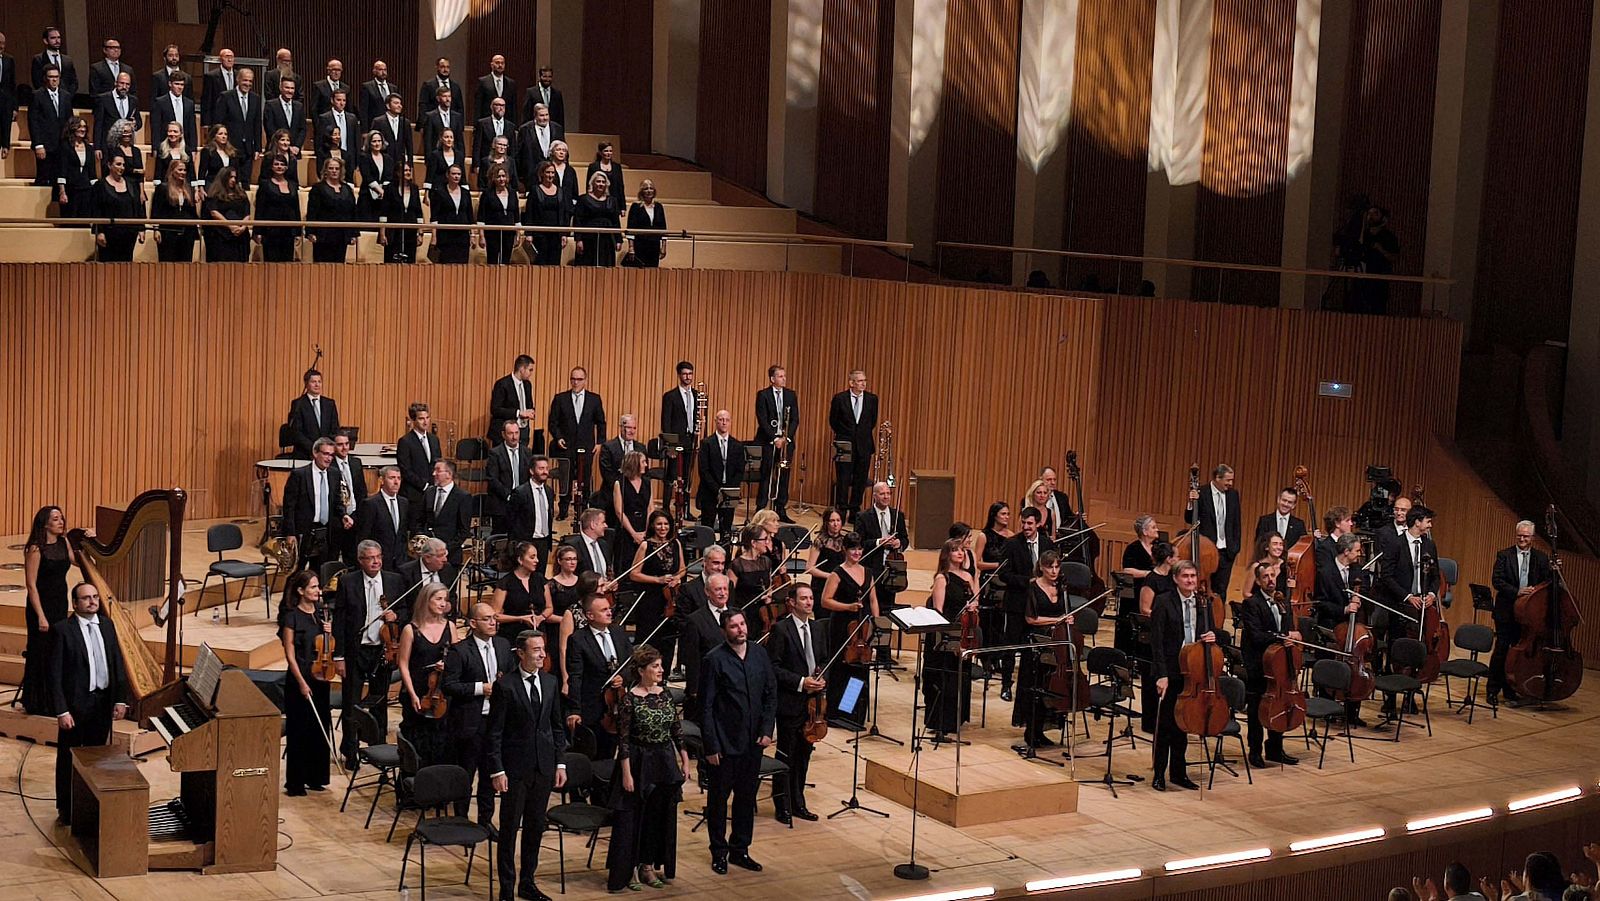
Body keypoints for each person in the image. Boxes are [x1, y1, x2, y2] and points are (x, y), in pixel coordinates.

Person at [487, 630, 568, 901]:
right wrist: (497, 770)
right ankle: (506, 889)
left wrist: (560, 763)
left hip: (543, 767)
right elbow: (495, 732)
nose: (542, 654)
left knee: (535, 828)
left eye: (543, 649)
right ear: (520, 653)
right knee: (509, 830)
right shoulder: (505, 686)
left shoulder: (551, 682)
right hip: (514, 769)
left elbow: (557, 727)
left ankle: (528, 882)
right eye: (536, 650)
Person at [605, 644, 688, 891]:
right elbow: (624, 740)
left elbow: (676, 729)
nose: (661, 670)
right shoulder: (630, 700)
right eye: (655, 666)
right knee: (634, 819)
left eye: (661, 665)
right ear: (641, 670)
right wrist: (627, 774)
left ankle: (647, 865)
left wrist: (683, 759)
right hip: (639, 763)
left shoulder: (665, 694)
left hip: (663, 761)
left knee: (656, 817)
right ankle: (628, 868)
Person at [699, 608, 776, 875]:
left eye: (743, 624)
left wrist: (767, 729)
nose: (741, 629)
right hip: (724, 745)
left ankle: (740, 849)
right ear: (725, 631)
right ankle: (718, 852)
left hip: (753, 743)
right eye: (734, 626)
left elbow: (770, 695)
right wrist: (711, 746)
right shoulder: (714, 660)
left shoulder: (759, 653)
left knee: (745, 799)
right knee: (719, 801)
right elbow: (705, 707)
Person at [49, 582, 129, 825]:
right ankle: (66, 808)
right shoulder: (63, 630)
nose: (92, 601)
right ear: (75, 603)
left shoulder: (107, 625)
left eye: (95, 597)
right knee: (68, 757)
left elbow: (116, 662)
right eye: (86, 598)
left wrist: (120, 699)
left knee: (97, 757)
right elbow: (54, 675)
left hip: (102, 702)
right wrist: (61, 710)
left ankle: (90, 805)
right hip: (75, 706)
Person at [332, 540, 407, 767]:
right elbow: (340, 621)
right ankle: (351, 750)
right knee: (351, 702)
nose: (375, 562)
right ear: (360, 560)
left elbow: (405, 609)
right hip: (357, 650)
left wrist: (397, 616)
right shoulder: (347, 582)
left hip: (383, 650)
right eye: (370, 558)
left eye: (378, 557)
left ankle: (377, 746)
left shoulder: (394, 581)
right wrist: (339, 656)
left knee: (380, 701)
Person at [443, 602, 513, 823]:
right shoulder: (460, 650)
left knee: (490, 773)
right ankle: (461, 820)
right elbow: (449, 685)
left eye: (494, 618)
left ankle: (485, 821)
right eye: (486, 619)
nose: (493, 622)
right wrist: (480, 688)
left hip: (496, 721)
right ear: (473, 623)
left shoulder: (502, 645)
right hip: (470, 721)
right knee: (466, 772)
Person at [765, 583, 827, 823]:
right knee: (787, 754)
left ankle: (798, 801)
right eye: (804, 598)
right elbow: (773, 667)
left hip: (814, 704)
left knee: (804, 753)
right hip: (791, 700)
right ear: (791, 602)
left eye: (811, 598)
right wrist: (802, 682)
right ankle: (782, 804)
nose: (809, 602)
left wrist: (822, 680)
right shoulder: (781, 629)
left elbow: (824, 660)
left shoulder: (818, 628)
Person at [1149, 560, 1209, 791]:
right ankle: (1159, 774)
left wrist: (1212, 636)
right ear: (1175, 578)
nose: (1190, 580)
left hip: (1192, 673)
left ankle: (1179, 773)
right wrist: (1161, 675)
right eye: (1185, 576)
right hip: (1170, 671)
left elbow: (1206, 633)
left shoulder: (1203, 602)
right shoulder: (1164, 601)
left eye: (1193, 576)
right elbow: (1156, 643)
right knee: (1165, 725)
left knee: (1183, 725)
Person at [1239, 559, 1301, 768]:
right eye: (1265, 576)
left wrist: (1291, 636)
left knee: (1279, 705)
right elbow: (1256, 636)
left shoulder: (1283, 601)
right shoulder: (1251, 604)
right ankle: (1255, 751)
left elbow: (1287, 630)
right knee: (1257, 710)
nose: (1270, 580)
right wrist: (1281, 636)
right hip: (1258, 664)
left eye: (1272, 576)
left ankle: (1275, 749)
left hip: (1279, 665)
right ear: (1258, 580)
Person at [279, 570, 334, 796]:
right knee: (299, 730)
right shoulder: (291, 616)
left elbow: (329, 647)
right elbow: (289, 653)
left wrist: (329, 632)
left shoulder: (322, 614)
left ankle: (316, 777)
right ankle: (296, 782)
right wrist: (301, 681)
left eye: (317, 586)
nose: (317, 590)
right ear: (301, 591)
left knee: (319, 729)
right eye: (312, 587)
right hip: (299, 678)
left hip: (321, 676)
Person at [21, 507, 79, 715]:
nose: (61, 521)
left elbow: (79, 562)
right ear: (45, 524)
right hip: (40, 607)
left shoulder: (64, 543)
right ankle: (37, 701)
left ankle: (55, 699)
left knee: (56, 651)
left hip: (59, 605)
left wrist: (91, 540)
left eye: (62, 518)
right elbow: (31, 585)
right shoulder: (36, 549)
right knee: (41, 651)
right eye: (55, 519)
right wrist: (41, 616)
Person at [1489, 520, 1550, 707]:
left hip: (1528, 615)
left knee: (1516, 653)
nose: (1522, 539)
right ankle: (1492, 690)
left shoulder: (1540, 558)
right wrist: (1517, 591)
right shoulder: (1504, 555)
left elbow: (1547, 582)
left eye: (1526, 536)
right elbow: (1497, 581)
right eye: (1520, 535)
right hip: (1506, 611)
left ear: (1532, 537)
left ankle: (1510, 689)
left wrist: (1536, 590)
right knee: (1501, 650)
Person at [565, 593, 632, 762]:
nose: (609, 612)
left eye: (609, 608)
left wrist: (623, 678)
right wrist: (575, 710)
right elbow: (575, 677)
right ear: (590, 615)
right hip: (593, 707)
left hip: (619, 705)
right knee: (595, 754)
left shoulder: (618, 632)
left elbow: (631, 664)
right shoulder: (578, 639)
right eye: (603, 610)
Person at [820, 533, 878, 714]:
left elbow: (873, 600)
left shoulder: (868, 572)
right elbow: (825, 600)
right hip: (842, 626)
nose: (857, 552)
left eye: (859, 549)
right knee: (842, 667)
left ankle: (853, 712)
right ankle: (839, 712)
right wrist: (847, 607)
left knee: (859, 667)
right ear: (845, 549)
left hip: (863, 627)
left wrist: (876, 624)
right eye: (853, 549)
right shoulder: (837, 573)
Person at [925, 539, 976, 741]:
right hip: (946, 635)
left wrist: (973, 607)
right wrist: (952, 638)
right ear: (947, 555)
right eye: (955, 550)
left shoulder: (968, 576)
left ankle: (955, 720)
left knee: (959, 678)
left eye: (962, 550)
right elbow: (939, 610)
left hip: (964, 633)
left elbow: (973, 601)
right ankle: (940, 723)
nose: (960, 553)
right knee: (944, 679)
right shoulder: (942, 578)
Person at [1015, 551, 1068, 746]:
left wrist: (1067, 618)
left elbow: (1064, 611)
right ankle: (1031, 731)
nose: (1054, 571)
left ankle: (1042, 729)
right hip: (1036, 644)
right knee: (1034, 685)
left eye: (1057, 567)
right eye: (1050, 567)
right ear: (1041, 568)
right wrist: (1057, 620)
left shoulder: (1061, 587)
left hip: (1057, 644)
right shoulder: (1032, 587)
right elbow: (1031, 619)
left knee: (1050, 686)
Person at [398, 583, 454, 766]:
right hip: (418, 691)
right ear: (426, 600)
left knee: (440, 742)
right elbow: (403, 664)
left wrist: (447, 664)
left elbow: (458, 658)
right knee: (416, 743)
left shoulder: (450, 627)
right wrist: (412, 694)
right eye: (438, 599)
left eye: (445, 599)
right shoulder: (410, 629)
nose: (443, 603)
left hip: (442, 694)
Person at [282, 438, 352, 573]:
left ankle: (318, 594)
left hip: (325, 532)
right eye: (325, 454)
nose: (329, 458)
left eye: (332, 455)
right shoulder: (300, 475)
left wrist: (343, 515)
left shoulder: (334, 474)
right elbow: (289, 507)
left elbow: (337, 502)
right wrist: (290, 533)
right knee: (298, 572)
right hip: (305, 531)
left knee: (322, 571)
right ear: (315, 453)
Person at [994, 507, 1043, 701]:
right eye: (1023, 522)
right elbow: (1004, 574)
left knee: (1033, 647)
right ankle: (1006, 685)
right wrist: (1027, 581)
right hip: (1016, 603)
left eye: (1030, 523)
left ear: (1038, 524)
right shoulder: (1012, 544)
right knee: (1010, 646)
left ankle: (1030, 686)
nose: (1025, 526)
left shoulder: (1047, 543)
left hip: (1039, 605)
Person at [630, 511, 685, 675]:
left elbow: (682, 569)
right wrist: (658, 580)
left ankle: (664, 675)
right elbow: (634, 574)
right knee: (649, 639)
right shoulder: (645, 546)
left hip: (671, 600)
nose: (663, 528)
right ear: (653, 526)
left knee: (668, 640)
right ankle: (642, 676)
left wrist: (677, 578)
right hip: (650, 600)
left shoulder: (675, 544)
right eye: (659, 524)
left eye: (666, 524)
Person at [549, 367, 607, 519]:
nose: (575, 382)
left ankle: (582, 511)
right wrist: (558, 437)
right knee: (565, 479)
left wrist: (600, 442)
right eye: (573, 379)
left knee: (585, 478)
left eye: (579, 379)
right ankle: (563, 510)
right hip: (566, 446)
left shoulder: (594, 399)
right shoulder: (560, 398)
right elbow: (553, 422)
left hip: (586, 446)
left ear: (585, 380)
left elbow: (601, 422)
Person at [1184, 463, 1241, 599]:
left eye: (1232, 480)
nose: (1230, 483)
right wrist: (1191, 502)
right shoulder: (1201, 493)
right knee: (1203, 588)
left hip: (1227, 552)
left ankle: (1218, 619)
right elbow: (1189, 519)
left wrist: (1235, 548)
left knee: (1221, 590)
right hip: (1207, 551)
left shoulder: (1233, 495)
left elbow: (1236, 523)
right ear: (1217, 478)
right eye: (1228, 480)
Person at [855, 480, 909, 621]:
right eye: (882, 494)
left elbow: (905, 538)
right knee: (870, 606)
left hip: (892, 568)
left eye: (888, 493)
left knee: (888, 606)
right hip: (872, 567)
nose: (886, 497)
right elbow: (859, 543)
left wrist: (899, 543)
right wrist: (879, 542)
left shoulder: (898, 515)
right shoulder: (863, 517)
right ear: (874, 496)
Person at [828, 370, 879, 512]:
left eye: (865, 380)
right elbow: (833, 421)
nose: (863, 383)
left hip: (864, 445)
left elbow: (872, 421)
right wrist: (846, 434)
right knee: (843, 478)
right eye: (860, 381)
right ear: (851, 383)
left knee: (860, 478)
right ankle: (842, 509)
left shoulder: (872, 399)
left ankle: (855, 509)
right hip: (844, 443)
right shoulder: (839, 398)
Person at [754, 364, 797, 520]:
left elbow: (795, 419)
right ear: (772, 379)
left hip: (786, 442)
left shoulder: (791, 395)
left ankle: (781, 508)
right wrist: (774, 438)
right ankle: (761, 507)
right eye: (780, 376)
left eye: (784, 376)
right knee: (766, 474)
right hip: (768, 441)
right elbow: (762, 419)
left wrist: (786, 438)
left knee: (784, 475)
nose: (784, 379)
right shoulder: (763, 395)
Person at [696, 410, 744, 538]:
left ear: (730, 423)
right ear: (716, 421)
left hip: (729, 494)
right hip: (710, 492)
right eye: (721, 419)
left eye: (727, 420)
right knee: (707, 529)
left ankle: (726, 556)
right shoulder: (706, 443)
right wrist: (717, 490)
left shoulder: (737, 445)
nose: (724, 422)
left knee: (726, 530)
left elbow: (740, 471)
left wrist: (728, 489)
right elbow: (703, 470)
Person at [90, 154, 145, 261]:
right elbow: (96, 210)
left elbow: (138, 207)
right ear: (110, 165)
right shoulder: (100, 185)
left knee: (125, 266)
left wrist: (141, 228)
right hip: (109, 234)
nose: (122, 168)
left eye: (123, 165)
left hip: (129, 234)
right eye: (118, 164)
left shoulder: (131, 184)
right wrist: (99, 232)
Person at [545, 546, 585, 688]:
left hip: (579, 631)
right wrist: (567, 621)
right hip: (556, 630)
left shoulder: (582, 582)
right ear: (559, 561)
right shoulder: (551, 584)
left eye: (574, 559)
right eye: (568, 559)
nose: (572, 562)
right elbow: (546, 614)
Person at [419, 459, 473, 565]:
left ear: (449, 474)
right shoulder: (429, 492)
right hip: (428, 555)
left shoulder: (463, 497)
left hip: (450, 556)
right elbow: (420, 520)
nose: (434, 474)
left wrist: (443, 550)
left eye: (438, 470)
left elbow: (463, 530)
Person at [306, 157, 358, 263]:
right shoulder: (318, 188)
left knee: (339, 266)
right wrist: (311, 232)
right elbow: (312, 211)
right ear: (325, 170)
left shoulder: (347, 188)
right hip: (323, 235)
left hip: (342, 235)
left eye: (337, 168)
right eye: (331, 168)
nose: (334, 171)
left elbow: (352, 212)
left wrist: (353, 233)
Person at [253, 154, 302, 262]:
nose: (279, 167)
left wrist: (298, 232)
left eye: (282, 164)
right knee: (271, 262)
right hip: (270, 231)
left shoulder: (292, 185)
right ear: (271, 167)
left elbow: (296, 209)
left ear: (286, 167)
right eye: (276, 164)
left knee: (287, 263)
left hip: (288, 231)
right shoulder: (265, 185)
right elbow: (260, 209)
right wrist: (257, 231)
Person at [150, 158, 199, 262]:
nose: (183, 173)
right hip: (168, 232)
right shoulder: (163, 188)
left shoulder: (189, 188)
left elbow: (192, 211)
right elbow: (156, 210)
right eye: (180, 170)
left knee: (185, 265)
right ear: (172, 171)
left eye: (184, 170)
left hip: (187, 232)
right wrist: (156, 229)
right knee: (167, 264)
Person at [491, 542, 545, 636]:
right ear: (520, 560)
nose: (537, 560)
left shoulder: (540, 579)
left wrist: (541, 617)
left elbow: (549, 607)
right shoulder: (505, 582)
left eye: (536, 557)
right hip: (513, 632)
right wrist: (520, 618)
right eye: (532, 557)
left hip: (538, 631)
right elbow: (495, 615)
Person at [200, 165, 252, 261]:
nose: (233, 180)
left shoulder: (241, 193)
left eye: (235, 177)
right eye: (230, 177)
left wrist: (243, 227)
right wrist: (231, 226)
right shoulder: (214, 194)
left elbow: (247, 212)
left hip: (240, 234)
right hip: (221, 235)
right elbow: (214, 212)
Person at [522, 160, 570, 265]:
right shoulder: (535, 190)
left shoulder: (561, 191)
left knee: (554, 264)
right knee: (540, 263)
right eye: (548, 172)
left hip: (556, 235)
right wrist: (529, 233)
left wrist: (564, 234)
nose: (550, 175)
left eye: (552, 172)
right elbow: (529, 213)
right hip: (539, 234)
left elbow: (565, 213)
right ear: (542, 174)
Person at [287, 368, 341, 458]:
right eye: (313, 382)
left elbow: (335, 428)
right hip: (305, 453)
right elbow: (297, 432)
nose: (317, 385)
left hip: (327, 454)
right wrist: (314, 449)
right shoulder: (298, 404)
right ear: (306, 384)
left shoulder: (329, 403)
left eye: (319, 382)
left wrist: (325, 448)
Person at [379, 158, 424, 263]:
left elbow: (419, 212)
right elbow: (384, 212)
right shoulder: (390, 188)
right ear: (398, 173)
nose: (408, 173)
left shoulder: (415, 189)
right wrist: (382, 233)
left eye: (409, 170)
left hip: (410, 231)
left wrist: (420, 232)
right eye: (405, 170)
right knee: (392, 261)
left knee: (410, 261)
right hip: (393, 232)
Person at [572, 171, 621, 266]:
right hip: (588, 238)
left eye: (603, 182)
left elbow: (615, 221)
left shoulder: (612, 200)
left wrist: (618, 239)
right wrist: (578, 240)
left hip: (607, 238)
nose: (601, 184)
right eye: (598, 181)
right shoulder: (583, 199)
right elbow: (578, 220)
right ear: (592, 183)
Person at [429, 163, 473, 264]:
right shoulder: (439, 192)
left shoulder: (466, 193)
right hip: (445, 236)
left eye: (459, 174)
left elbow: (470, 215)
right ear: (447, 175)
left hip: (462, 236)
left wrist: (472, 235)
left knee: (462, 266)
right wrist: (434, 236)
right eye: (453, 174)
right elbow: (434, 216)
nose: (456, 176)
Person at [477, 162, 520, 264]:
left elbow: (517, 217)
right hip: (492, 233)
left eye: (503, 176)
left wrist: (517, 235)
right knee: (492, 261)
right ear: (493, 178)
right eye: (498, 176)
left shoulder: (513, 193)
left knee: (506, 261)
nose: (501, 179)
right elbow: (481, 217)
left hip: (509, 233)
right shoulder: (487, 194)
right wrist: (482, 236)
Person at [55, 116, 96, 222]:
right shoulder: (65, 146)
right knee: (70, 221)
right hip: (71, 190)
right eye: (79, 126)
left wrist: (96, 192)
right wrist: (62, 192)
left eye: (84, 127)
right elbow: (62, 171)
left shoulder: (90, 148)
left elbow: (92, 173)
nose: (83, 129)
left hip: (86, 190)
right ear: (72, 128)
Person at [150, 72, 199, 158]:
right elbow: (156, 127)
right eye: (176, 84)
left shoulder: (189, 103)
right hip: (166, 145)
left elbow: (192, 128)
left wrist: (193, 149)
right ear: (170, 84)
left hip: (184, 146)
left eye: (182, 85)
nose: (180, 87)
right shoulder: (160, 102)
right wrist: (155, 148)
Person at [92, 71, 141, 151]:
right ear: (115, 83)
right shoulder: (103, 99)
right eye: (122, 83)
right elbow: (98, 125)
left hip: (126, 145)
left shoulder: (133, 100)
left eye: (127, 84)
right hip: (108, 146)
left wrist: (135, 124)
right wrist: (97, 148)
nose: (124, 87)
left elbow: (139, 122)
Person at [516, 102, 563, 179]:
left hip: (553, 175)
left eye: (547, 115)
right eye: (541, 115)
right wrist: (520, 177)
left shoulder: (557, 129)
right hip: (531, 175)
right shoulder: (525, 130)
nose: (545, 118)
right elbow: (519, 155)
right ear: (535, 116)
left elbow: (564, 151)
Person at [805, 508, 846, 592]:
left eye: (838, 520)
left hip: (839, 584)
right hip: (821, 585)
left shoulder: (844, 541)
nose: (835, 524)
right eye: (832, 521)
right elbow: (809, 568)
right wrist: (829, 576)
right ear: (826, 523)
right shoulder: (820, 541)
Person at [355, 130, 392, 223]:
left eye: (379, 141)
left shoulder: (387, 158)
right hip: (367, 196)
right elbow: (367, 176)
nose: (377, 144)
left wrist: (384, 191)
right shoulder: (364, 157)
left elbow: (389, 176)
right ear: (369, 143)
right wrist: (380, 191)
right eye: (374, 141)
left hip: (383, 197)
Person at [370, 90, 412, 165]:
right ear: (388, 105)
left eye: (400, 103)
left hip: (400, 162)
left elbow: (409, 145)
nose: (400, 106)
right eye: (396, 103)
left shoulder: (405, 122)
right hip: (383, 161)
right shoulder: (378, 122)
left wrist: (410, 164)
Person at [474, 55, 518, 123]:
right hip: (487, 122)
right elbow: (478, 106)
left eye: (502, 63)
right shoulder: (483, 82)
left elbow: (514, 107)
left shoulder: (511, 83)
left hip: (506, 122)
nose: (500, 65)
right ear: (492, 65)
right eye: (497, 63)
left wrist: (515, 125)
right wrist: (477, 123)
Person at [195, 124, 237, 192]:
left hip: (228, 186)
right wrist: (201, 187)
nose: (223, 136)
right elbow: (202, 171)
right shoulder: (208, 151)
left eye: (225, 134)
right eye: (220, 134)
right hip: (212, 186)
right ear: (214, 136)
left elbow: (236, 171)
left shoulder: (232, 152)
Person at [587, 142, 626, 212]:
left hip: (614, 201)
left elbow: (620, 187)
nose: (608, 153)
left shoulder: (617, 167)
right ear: (600, 152)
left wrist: (623, 207)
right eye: (606, 151)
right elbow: (589, 185)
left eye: (610, 151)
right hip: (597, 201)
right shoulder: (593, 167)